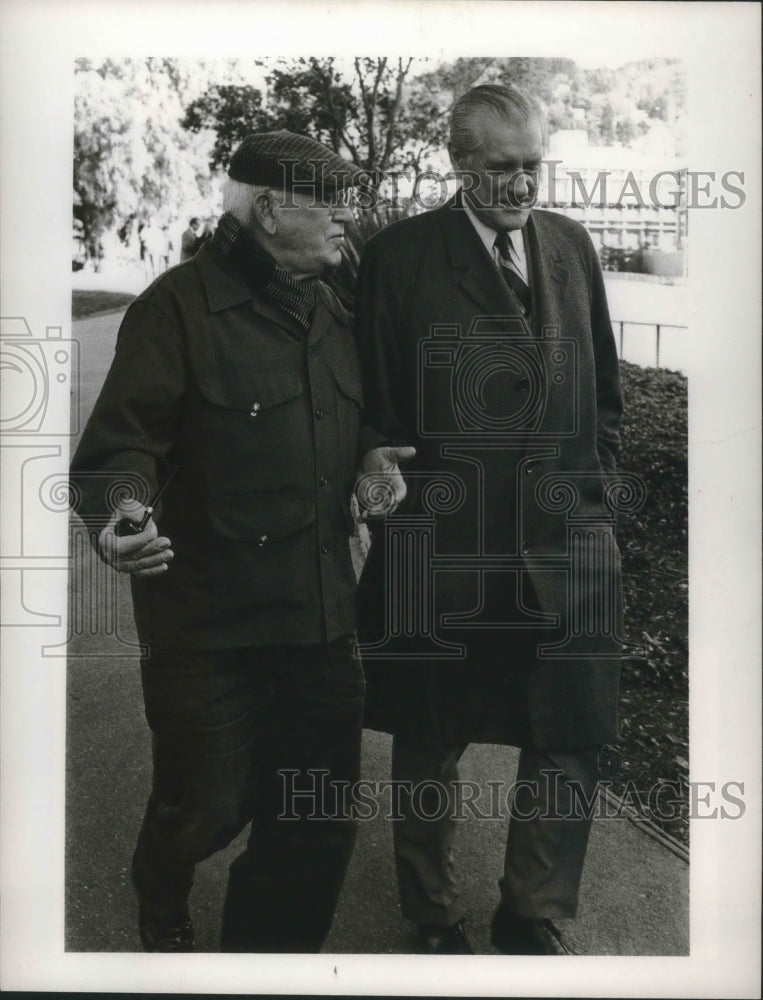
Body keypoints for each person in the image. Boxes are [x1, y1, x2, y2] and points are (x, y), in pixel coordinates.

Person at [70, 130, 380, 953]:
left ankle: (266, 964)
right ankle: (161, 884)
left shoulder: (337, 308)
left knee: (314, 819)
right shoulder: (176, 308)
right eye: (334, 203)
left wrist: (374, 451)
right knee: (204, 805)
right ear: (273, 212)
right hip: (209, 628)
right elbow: (120, 448)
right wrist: (119, 516)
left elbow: (358, 418)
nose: (350, 218)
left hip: (319, 622)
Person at [354, 84, 624, 955]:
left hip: (565, 546)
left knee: (570, 736)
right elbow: (375, 408)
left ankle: (531, 911)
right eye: (501, 168)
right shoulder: (397, 259)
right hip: (444, 552)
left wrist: (594, 502)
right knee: (430, 742)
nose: (520, 185)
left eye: (532, 165)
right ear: (459, 164)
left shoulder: (570, 248)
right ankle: (431, 918)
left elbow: (606, 396)